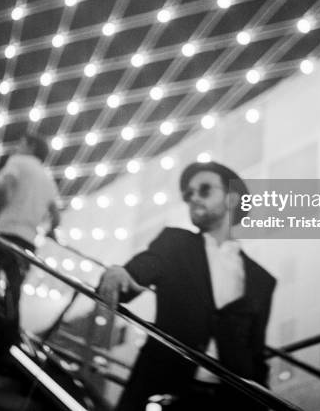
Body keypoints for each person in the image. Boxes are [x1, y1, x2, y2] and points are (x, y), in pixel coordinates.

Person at [98, 161, 276, 411]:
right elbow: (149, 264)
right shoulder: (174, 242)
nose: (193, 198)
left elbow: (256, 353)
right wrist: (124, 272)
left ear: (232, 199)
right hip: (163, 390)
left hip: (231, 402)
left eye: (204, 190)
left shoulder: (262, 280)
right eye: (188, 194)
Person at [0, 132, 61, 357]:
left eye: (21, 142)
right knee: (12, 289)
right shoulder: (47, 178)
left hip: (5, 232)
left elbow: (4, 188)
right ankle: (6, 344)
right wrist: (48, 231)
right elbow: (56, 216)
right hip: (28, 241)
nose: (17, 145)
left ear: (30, 146)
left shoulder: (18, 162)